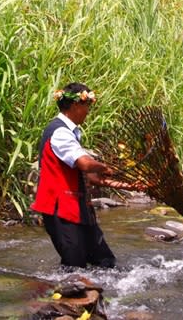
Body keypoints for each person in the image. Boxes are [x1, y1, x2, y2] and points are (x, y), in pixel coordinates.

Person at [32, 81, 120, 269]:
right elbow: (84, 163)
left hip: (75, 207)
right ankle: (62, 296)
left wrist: (111, 180)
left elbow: (83, 172)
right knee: (75, 265)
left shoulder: (68, 132)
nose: (88, 111)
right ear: (75, 105)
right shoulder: (61, 133)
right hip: (60, 209)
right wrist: (105, 167)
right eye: (87, 105)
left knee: (105, 262)